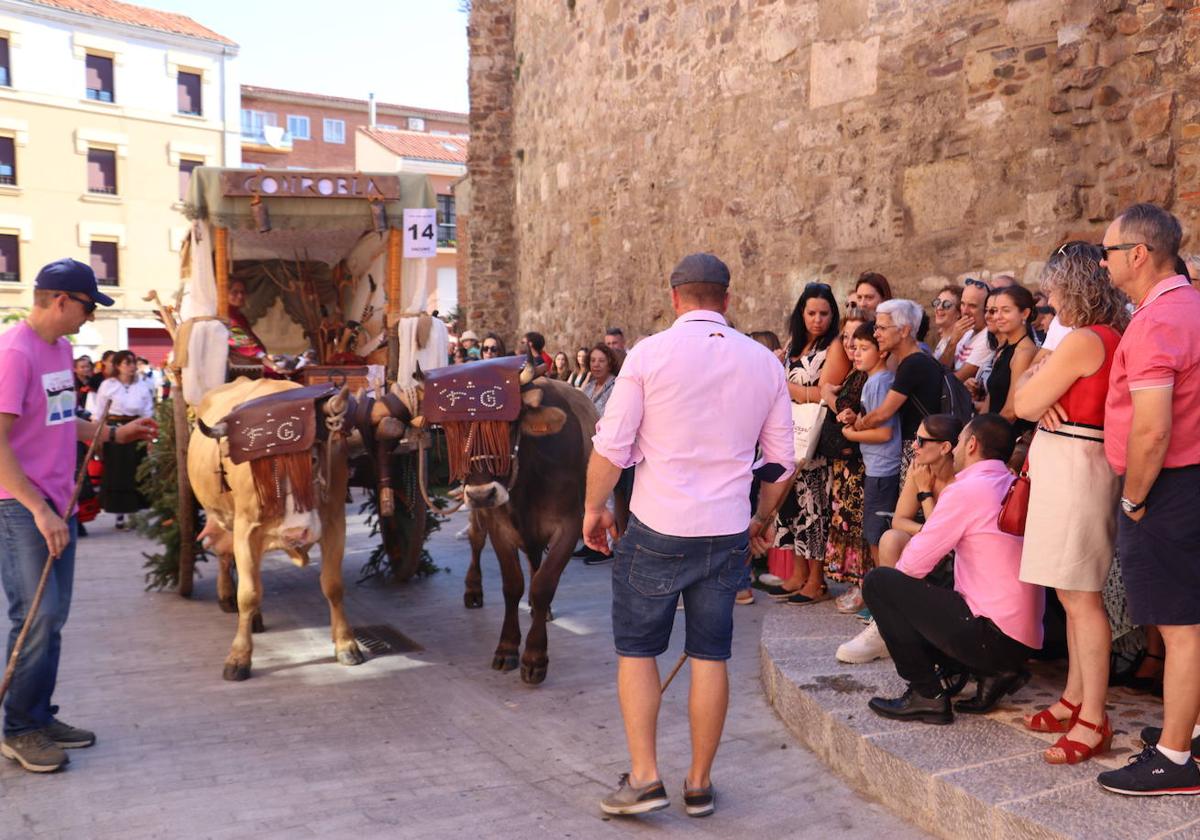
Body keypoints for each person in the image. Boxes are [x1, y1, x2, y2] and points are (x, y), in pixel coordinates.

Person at [583, 253, 794, 817]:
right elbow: (779, 463)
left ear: (674, 298)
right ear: (726, 300)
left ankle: (646, 776)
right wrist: (762, 520)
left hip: (657, 525)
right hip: (726, 529)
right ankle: (699, 784)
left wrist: (593, 508)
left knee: (637, 651)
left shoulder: (649, 355)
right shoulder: (765, 363)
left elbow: (612, 446)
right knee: (709, 656)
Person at [0, 258, 155, 774]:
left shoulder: (62, 350)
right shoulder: (13, 353)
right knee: (36, 616)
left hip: (56, 502)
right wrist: (39, 509)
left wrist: (114, 435)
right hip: (20, 507)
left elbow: (66, 419)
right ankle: (19, 729)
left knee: (53, 618)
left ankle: (38, 715)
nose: (90, 317)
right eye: (88, 306)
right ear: (61, 300)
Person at [1095, 203, 1200, 796]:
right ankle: (1190, 729)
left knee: (1181, 626)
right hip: (1191, 479)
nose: (1104, 260)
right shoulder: (1193, 306)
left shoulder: (1159, 321)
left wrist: (1134, 497)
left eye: (1109, 250)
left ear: (1138, 253)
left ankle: (1175, 758)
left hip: (1168, 486)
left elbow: (1153, 428)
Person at [1013, 241, 1128, 765]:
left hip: (1078, 465)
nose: (1047, 296)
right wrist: (1039, 382)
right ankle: (1075, 697)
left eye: (1053, 286)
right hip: (1073, 462)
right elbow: (1030, 403)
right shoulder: (1093, 338)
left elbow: (1024, 402)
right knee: (1071, 593)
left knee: (1081, 598)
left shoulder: (1084, 340)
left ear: (1074, 285)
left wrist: (1039, 373)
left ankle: (1093, 717)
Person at [863, 415, 1044, 724]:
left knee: (880, 583)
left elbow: (911, 567)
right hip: (1022, 641)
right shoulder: (1012, 482)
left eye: (960, 442)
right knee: (940, 588)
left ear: (971, 445)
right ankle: (995, 673)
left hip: (992, 635)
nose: (956, 449)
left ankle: (927, 695)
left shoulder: (967, 490)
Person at [837, 414, 962, 664]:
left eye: (920, 440)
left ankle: (898, 626)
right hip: (933, 544)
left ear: (945, 447)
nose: (914, 446)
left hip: (959, 555)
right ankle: (886, 626)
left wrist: (926, 493)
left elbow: (945, 536)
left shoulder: (961, 479)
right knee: (891, 538)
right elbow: (900, 520)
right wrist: (924, 531)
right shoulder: (920, 469)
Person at [766, 283, 849, 606]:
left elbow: (826, 391)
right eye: (812, 313)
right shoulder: (795, 345)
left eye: (824, 313)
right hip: (790, 435)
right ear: (801, 314)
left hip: (815, 439)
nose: (818, 320)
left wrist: (785, 386)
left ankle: (816, 580)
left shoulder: (836, 346)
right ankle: (798, 574)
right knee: (791, 507)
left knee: (814, 508)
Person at [839, 321, 902, 611]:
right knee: (874, 532)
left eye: (865, 348)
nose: (857, 353)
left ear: (882, 352)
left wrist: (852, 434)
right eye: (856, 348)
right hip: (876, 466)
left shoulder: (879, 381)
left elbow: (884, 433)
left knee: (877, 535)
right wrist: (855, 418)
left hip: (882, 468)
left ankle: (883, 603)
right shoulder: (874, 380)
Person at [853, 300, 944, 483]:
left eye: (882, 328)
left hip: (920, 451)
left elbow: (882, 414)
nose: (876, 334)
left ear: (904, 330)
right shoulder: (914, 361)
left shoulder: (913, 364)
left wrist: (858, 425)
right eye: (876, 327)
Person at [820, 314, 869, 614]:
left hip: (860, 464)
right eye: (847, 337)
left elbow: (848, 414)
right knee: (847, 522)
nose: (851, 344)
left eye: (858, 339)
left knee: (858, 526)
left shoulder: (867, 376)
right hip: (845, 465)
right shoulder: (853, 372)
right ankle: (856, 583)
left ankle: (864, 587)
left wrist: (828, 395)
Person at [94, 350, 155, 530]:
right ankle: (119, 516)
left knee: (136, 472)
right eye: (127, 363)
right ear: (118, 366)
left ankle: (136, 514)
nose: (131, 367)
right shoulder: (108, 385)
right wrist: (98, 436)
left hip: (136, 430)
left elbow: (148, 411)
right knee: (117, 473)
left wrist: (150, 436)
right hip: (114, 431)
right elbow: (99, 413)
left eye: (133, 363)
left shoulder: (143, 385)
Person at [983, 285, 1038, 426]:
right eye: (996, 311)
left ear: (1024, 314)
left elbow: (1011, 411)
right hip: (989, 430)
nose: (997, 317)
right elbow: (989, 402)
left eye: (1006, 311)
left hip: (1005, 436)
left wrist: (981, 436)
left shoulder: (1024, 353)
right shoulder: (1003, 349)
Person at [944, 279, 993, 382]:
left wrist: (953, 341)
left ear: (986, 309)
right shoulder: (967, 331)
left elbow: (956, 381)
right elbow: (940, 368)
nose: (965, 311)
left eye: (972, 306)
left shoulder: (988, 338)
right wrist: (953, 341)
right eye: (962, 304)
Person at [226, 278, 268, 360]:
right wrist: (272, 365)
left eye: (242, 292)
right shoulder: (227, 316)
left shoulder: (239, 316)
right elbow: (247, 345)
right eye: (234, 292)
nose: (240, 296)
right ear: (224, 294)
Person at [582, 343, 621, 416]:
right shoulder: (588, 387)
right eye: (593, 360)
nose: (596, 365)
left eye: (601, 361)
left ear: (610, 364)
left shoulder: (617, 387)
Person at [930, 285, 962, 363]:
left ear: (958, 313)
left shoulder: (961, 342)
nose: (939, 308)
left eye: (946, 305)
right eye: (937, 303)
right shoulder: (943, 340)